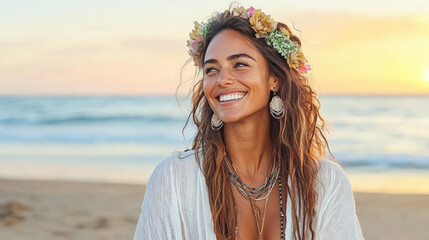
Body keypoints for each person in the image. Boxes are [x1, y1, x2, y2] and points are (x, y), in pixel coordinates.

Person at [134, 5, 364, 240]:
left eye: (240, 64)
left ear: (274, 79)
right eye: (211, 69)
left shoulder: (326, 183)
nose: (222, 80)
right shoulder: (173, 179)